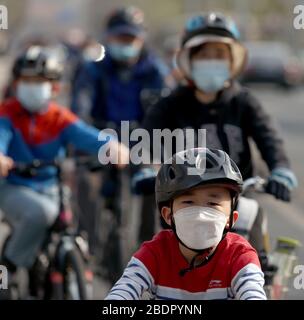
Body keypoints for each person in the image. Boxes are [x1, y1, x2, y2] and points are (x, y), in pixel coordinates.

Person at [142, 12, 297, 257]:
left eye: (219, 55)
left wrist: (280, 168)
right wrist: (147, 168)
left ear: (231, 61)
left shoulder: (244, 102)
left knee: (254, 262)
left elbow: (269, 137)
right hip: (185, 199)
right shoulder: (170, 104)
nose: (211, 61)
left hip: (237, 199)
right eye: (203, 55)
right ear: (188, 61)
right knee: (167, 262)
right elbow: (147, 140)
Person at [0, 45, 129, 291]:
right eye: (26, 81)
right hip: (14, 186)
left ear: (55, 87)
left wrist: (113, 146)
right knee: (42, 214)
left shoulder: (59, 117)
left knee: (68, 219)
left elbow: (88, 136)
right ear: (16, 86)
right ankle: (10, 265)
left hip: (53, 187)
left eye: (39, 81)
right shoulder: (6, 114)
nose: (32, 86)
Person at [71, 6, 169, 278]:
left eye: (130, 40)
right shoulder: (92, 70)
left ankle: (149, 252)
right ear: (108, 39)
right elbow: (80, 110)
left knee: (154, 182)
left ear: (141, 40)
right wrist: (93, 140)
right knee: (85, 183)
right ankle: (88, 249)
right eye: (119, 39)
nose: (125, 45)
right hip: (101, 144)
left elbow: (166, 112)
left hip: (142, 144)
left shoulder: (155, 71)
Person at [105, 148, 266, 300]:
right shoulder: (156, 252)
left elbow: (253, 292)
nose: (201, 215)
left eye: (213, 203)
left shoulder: (239, 255)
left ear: (231, 218)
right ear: (168, 215)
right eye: (189, 202)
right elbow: (125, 288)